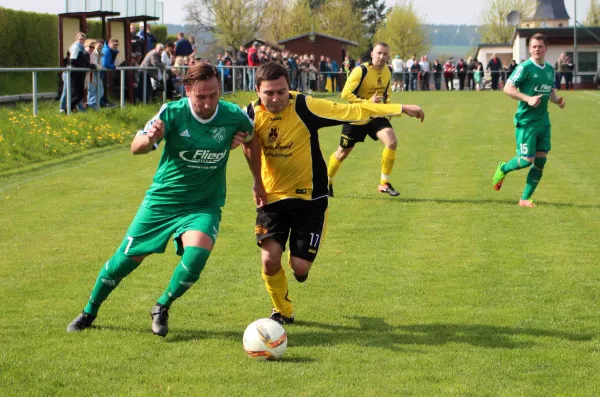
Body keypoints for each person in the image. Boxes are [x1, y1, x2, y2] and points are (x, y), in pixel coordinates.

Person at [66, 62, 262, 337]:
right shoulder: (172, 112)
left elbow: (253, 140)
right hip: (162, 202)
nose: (208, 103)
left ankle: (162, 306)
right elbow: (137, 148)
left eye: (213, 95)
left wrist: (257, 180)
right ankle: (89, 311)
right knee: (124, 261)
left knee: (196, 256)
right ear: (187, 90)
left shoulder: (233, 116)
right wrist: (149, 139)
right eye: (201, 96)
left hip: (203, 204)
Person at [243, 62, 424, 324]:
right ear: (257, 90)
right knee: (270, 259)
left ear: (289, 88)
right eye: (269, 93)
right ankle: (282, 311)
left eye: (281, 91)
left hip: (311, 198)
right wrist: (256, 180)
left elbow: (353, 110)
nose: (276, 98)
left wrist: (399, 108)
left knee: (299, 268)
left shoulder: (305, 106)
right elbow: (235, 140)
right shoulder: (248, 114)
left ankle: (302, 263)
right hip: (272, 196)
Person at [328, 42, 422, 197]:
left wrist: (388, 107)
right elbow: (345, 94)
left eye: (385, 54)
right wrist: (366, 102)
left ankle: (384, 183)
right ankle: (327, 181)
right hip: (357, 115)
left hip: (376, 114)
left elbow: (386, 92)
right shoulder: (361, 70)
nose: (381, 57)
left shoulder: (388, 71)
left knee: (391, 141)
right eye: (379, 53)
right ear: (372, 54)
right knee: (342, 153)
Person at [493, 33, 565, 207]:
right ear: (529, 49)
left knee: (541, 161)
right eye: (533, 46)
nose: (537, 49)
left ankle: (525, 198)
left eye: (540, 46)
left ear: (546, 48)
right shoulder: (524, 68)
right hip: (526, 122)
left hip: (543, 122)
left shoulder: (549, 69)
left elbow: (550, 91)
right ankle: (503, 168)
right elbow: (508, 89)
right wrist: (528, 99)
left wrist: (557, 101)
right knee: (527, 160)